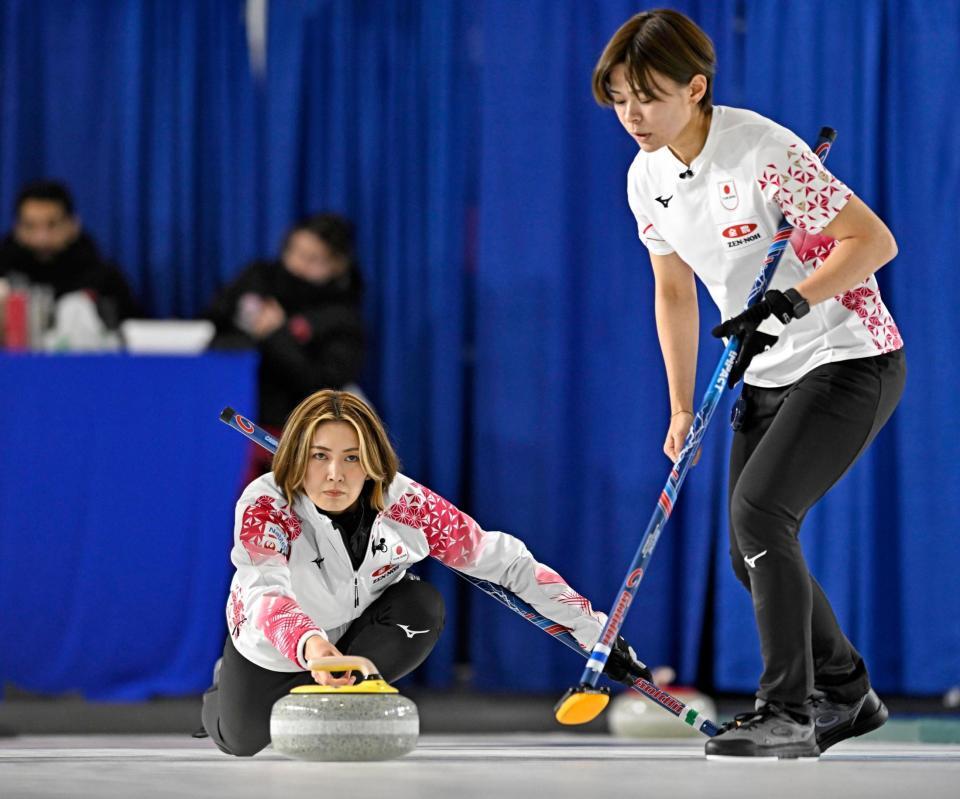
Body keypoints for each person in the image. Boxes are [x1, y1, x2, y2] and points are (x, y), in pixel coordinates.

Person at [592, 10, 904, 759]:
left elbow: (874, 241)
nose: (632, 113)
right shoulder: (645, 176)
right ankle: (847, 689)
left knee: (760, 514)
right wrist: (677, 403)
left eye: (650, 95)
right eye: (619, 97)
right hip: (763, 369)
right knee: (748, 548)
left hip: (847, 355)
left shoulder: (764, 151)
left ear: (696, 88)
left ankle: (786, 710)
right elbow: (673, 290)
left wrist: (793, 297)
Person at [200, 389, 647, 756]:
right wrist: (313, 646)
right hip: (278, 642)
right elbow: (263, 592)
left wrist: (596, 633)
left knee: (422, 606)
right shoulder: (267, 504)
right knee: (242, 739)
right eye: (319, 456)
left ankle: (340, 695)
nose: (334, 474)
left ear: (373, 460)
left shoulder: (407, 504)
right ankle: (228, 685)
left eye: (351, 458)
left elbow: (505, 561)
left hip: (361, 627)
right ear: (298, 455)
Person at [204, 213, 365, 477]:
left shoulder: (341, 316)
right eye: (294, 252)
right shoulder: (258, 278)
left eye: (313, 259)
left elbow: (325, 384)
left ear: (337, 265)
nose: (297, 265)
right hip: (231, 418)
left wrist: (277, 335)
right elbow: (214, 327)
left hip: (294, 433)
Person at [0, 179, 140, 325]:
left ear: (73, 225)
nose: (41, 238)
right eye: (30, 226)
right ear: (16, 228)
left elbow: (133, 334)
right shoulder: (3, 271)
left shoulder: (104, 280)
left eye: (52, 225)